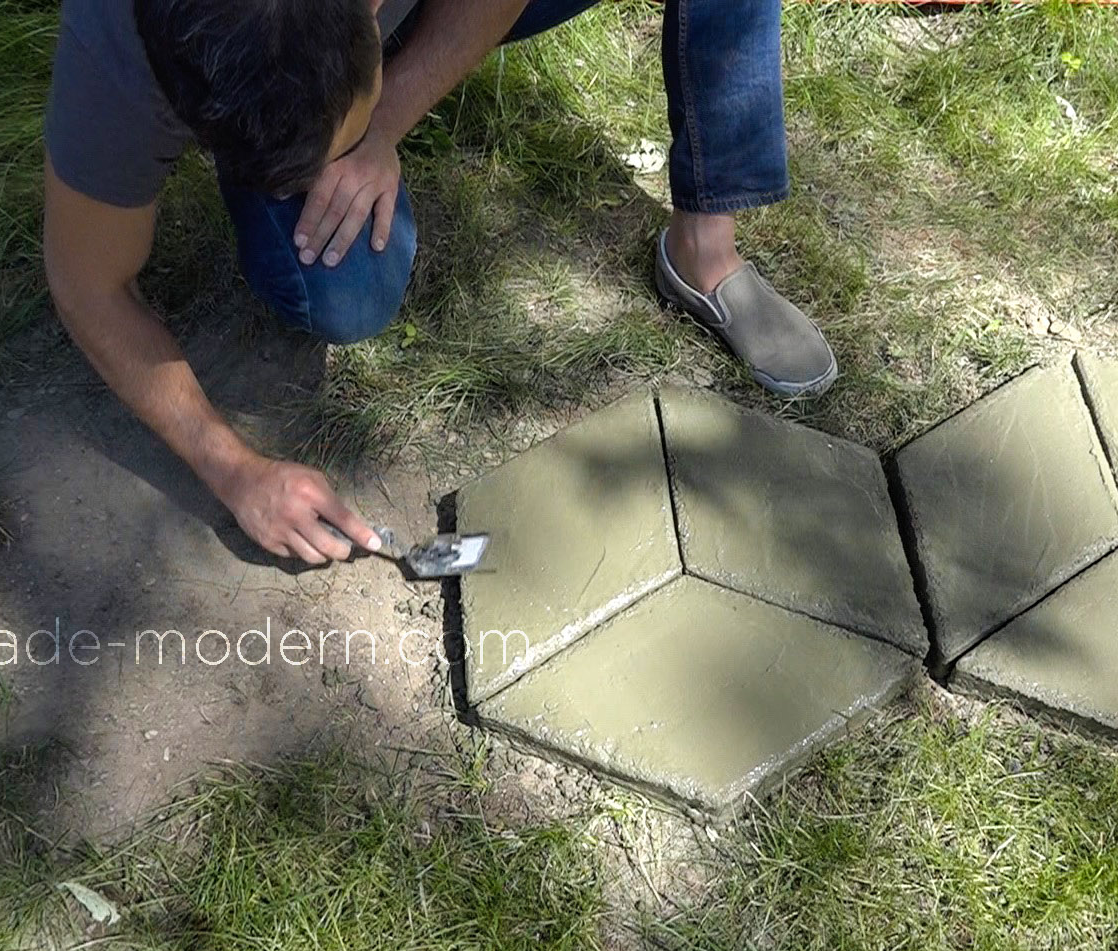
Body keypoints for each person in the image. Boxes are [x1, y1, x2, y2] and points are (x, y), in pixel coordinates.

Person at [43, 0, 836, 567]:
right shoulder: (115, 52)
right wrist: (234, 471)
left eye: (336, 139)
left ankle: (704, 251)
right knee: (348, 294)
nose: (334, 167)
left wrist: (384, 125)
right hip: (266, 56)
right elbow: (89, 283)